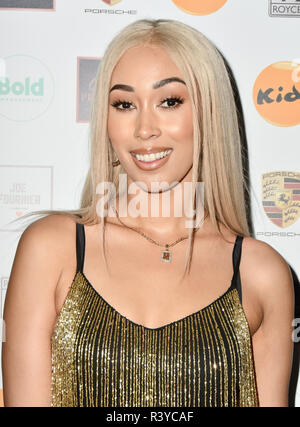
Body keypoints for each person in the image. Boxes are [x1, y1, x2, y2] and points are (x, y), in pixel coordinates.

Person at [2, 19, 294, 407]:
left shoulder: (261, 274)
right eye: (124, 104)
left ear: (209, 111)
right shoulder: (52, 248)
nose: (144, 129)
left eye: (169, 101)